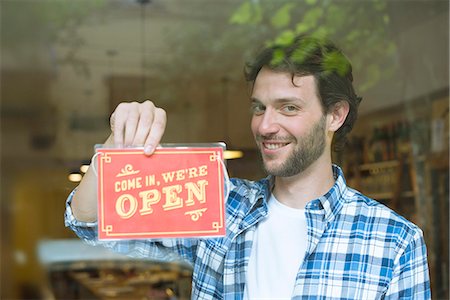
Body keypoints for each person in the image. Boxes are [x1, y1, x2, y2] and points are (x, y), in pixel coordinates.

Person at [65, 34, 431, 299]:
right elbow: (90, 223)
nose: (265, 125)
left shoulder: (395, 241)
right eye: (259, 107)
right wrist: (116, 144)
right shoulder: (216, 204)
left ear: (335, 115)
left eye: (288, 107)